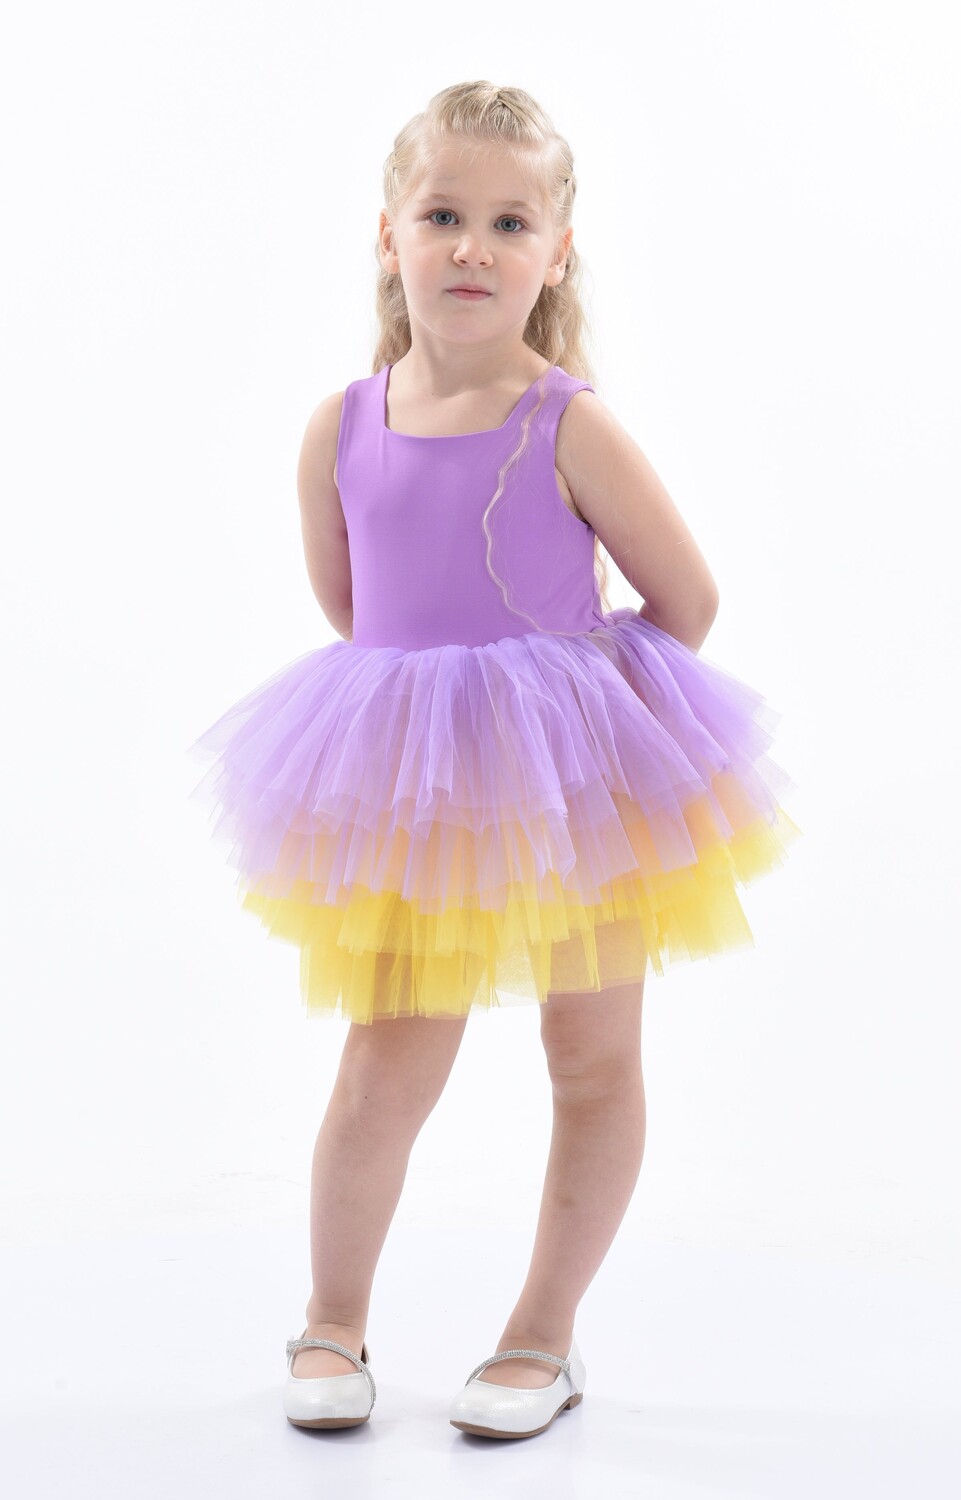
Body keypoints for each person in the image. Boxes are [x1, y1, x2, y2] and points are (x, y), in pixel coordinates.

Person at [186, 80, 801, 1440]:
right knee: (383, 1063)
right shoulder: (341, 426)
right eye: (442, 215)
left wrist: (577, 714)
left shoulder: (567, 421)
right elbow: (356, 612)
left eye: (510, 223)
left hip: (574, 784)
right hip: (416, 786)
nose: (473, 246)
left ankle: (541, 1336)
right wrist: (448, 714)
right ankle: (331, 1319)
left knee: (590, 1056)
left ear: (556, 254)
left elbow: (686, 600)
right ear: (388, 234)